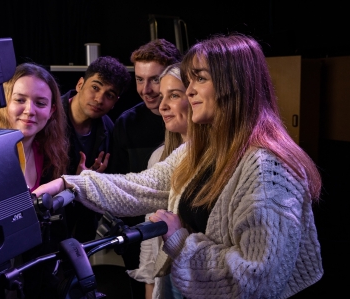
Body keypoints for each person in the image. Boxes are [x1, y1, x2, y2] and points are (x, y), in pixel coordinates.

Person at [33, 34, 323, 298]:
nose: (190, 91)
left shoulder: (267, 169)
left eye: (199, 79)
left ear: (233, 84)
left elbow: (258, 278)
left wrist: (179, 240)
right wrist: (69, 183)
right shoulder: (202, 149)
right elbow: (142, 186)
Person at [0, 62, 69, 299]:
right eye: (20, 100)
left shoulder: (47, 153)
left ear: (51, 111)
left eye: (40, 103)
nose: (30, 110)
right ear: (4, 103)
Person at [108, 39, 182, 298]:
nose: (146, 89)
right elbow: (123, 185)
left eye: (155, 79)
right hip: (143, 236)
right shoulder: (127, 123)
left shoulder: (191, 121)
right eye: (139, 79)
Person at [127, 63, 188, 299]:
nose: (161, 106)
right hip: (166, 281)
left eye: (173, 95)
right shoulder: (159, 157)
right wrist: (149, 283)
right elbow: (150, 230)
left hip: (199, 278)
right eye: (163, 97)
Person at [61, 56, 131, 243]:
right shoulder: (49, 117)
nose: (99, 99)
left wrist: (97, 180)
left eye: (109, 95)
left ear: (115, 102)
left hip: (81, 232)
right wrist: (75, 180)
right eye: (95, 87)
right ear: (80, 84)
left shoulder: (110, 129)